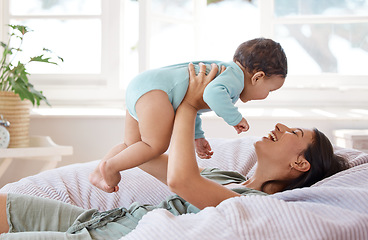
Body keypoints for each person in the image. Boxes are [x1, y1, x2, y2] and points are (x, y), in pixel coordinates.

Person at [0, 63, 348, 239]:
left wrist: (189, 106)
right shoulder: (229, 177)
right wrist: (145, 98)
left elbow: (181, 179)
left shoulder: (251, 205)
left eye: (294, 133)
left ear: (300, 162)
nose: (280, 128)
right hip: (93, 221)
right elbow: (147, 153)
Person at [90, 37, 288, 193]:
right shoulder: (234, 80)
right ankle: (111, 167)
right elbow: (211, 95)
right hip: (156, 93)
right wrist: (235, 118)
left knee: (133, 145)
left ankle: (99, 172)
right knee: (155, 145)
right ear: (258, 77)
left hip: (143, 86)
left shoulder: (223, 71)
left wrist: (198, 135)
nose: (266, 96)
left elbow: (194, 100)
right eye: (270, 91)